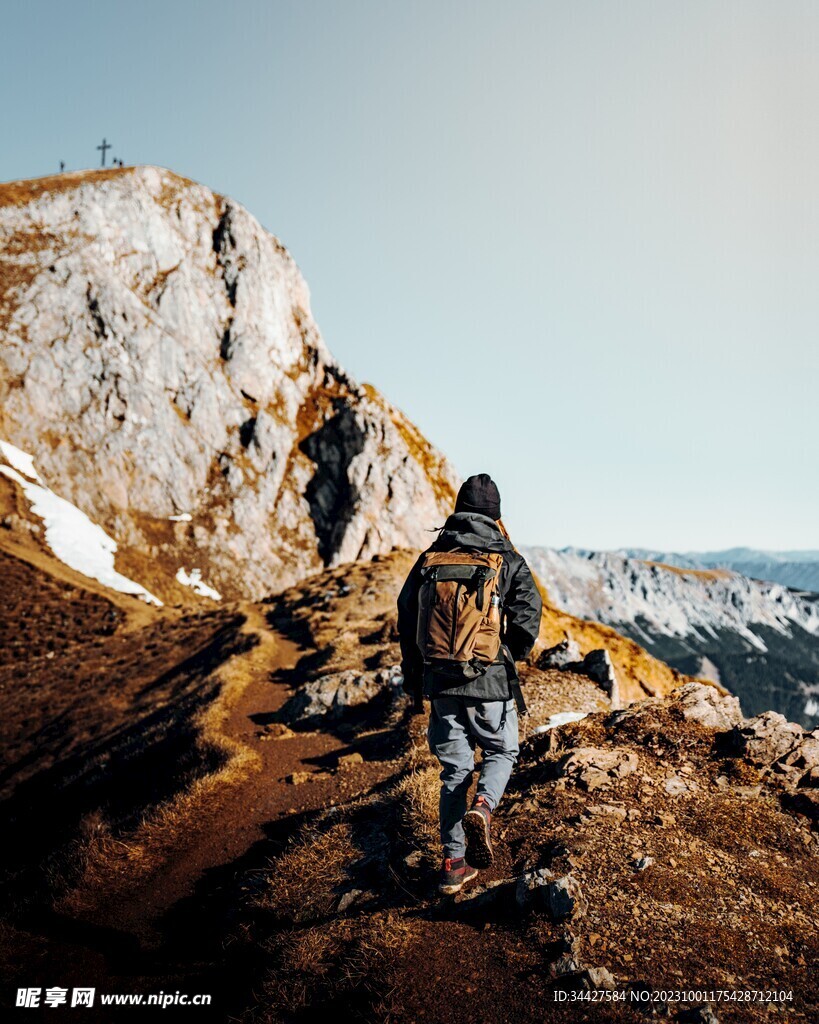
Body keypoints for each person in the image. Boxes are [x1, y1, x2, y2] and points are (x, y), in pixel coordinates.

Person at [397, 474, 542, 894]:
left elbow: (408, 618)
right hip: (489, 680)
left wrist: (415, 676)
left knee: (454, 770)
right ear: (495, 515)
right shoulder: (506, 557)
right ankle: (483, 806)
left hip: (441, 682)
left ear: (459, 509)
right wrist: (507, 653)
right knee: (502, 750)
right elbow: (529, 616)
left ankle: (452, 863)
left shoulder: (431, 557)